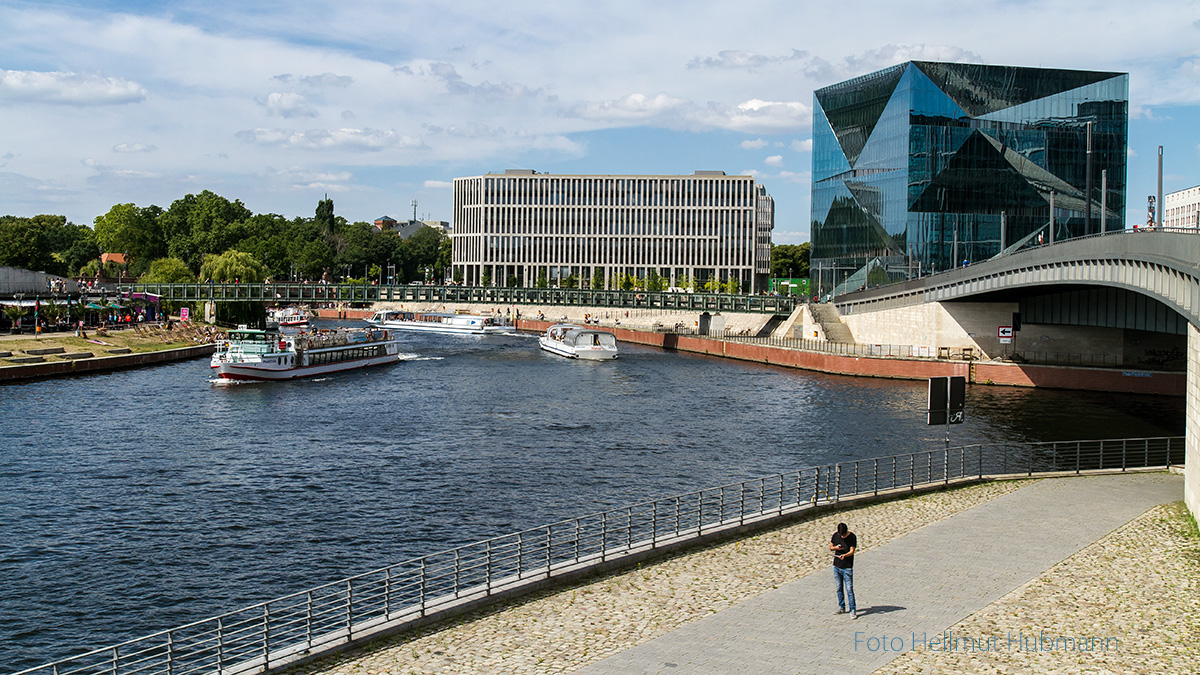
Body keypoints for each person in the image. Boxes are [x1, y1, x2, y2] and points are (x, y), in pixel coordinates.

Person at [830, 522, 857, 618]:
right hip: (837, 565)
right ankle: (841, 607)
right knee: (839, 588)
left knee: (849, 589)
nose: (842, 536)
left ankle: (852, 609)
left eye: (843, 534)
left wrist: (844, 555)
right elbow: (830, 547)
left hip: (847, 567)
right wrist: (835, 548)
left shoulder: (852, 537)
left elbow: (852, 551)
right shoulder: (836, 535)